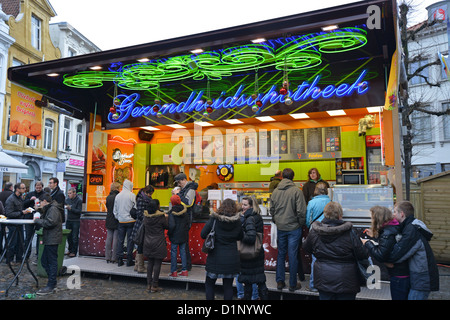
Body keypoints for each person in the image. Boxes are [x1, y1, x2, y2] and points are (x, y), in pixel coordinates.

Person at [303, 201, 368, 300]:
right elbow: (362, 254)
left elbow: (307, 248)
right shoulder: (350, 232)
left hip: (323, 278)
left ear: (325, 214)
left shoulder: (315, 232)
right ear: (340, 215)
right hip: (347, 280)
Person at [388, 200, 439, 300]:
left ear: (401, 214)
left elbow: (398, 255)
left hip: (421, 280)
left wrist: (377, 252)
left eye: (395, 212)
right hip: (420, 278)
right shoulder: (411, 226)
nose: (393, 215)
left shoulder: (411, 230)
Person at [361, 206, 410, 300]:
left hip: (399, 275)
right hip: (402, 272)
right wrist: (375, 236)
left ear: (378, 218)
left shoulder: (387, 233)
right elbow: (387, 246)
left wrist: (367, 243)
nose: (371, 220)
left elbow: (381, 255)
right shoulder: (393, 227)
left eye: (372, 217)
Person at [269, 168, 306, 291]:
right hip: (294, 228)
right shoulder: (297, 191)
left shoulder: (275, 192)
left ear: (282, 177)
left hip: (281, 227)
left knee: (281, 254)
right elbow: (301, 211)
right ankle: (293, 284)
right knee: (293, 255)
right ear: (293, 177)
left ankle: (280, 282)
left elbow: (272, 210)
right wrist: (300, 223)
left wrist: (277, 220)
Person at [201, 198, 243, 300]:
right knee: (228, 286)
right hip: (232, 258)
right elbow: (240, 236)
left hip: (215, 257)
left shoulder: (214, 219)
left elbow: (203, 234)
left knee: (209, 284)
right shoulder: (237, 221)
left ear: (221, 206)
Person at [238, 196, 268, 300]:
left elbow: (250, 238)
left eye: (245, 205)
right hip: (258, 252)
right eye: (242, 204)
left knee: (248, 284)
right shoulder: (257, 216)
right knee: (260, 281)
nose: (243, 207)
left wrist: (239, 233)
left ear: (251, 206)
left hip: (249, 254)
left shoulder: (249, 218)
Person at [33, 193, 63, 295]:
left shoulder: (53, 209)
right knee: (44, 261)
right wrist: (39, 210)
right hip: (50, 238)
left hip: (52, 238)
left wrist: (38, 221)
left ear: (45, 201)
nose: (40, 204)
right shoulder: (50, 208)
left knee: (50, 261)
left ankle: (51, 285)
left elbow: (50, 222)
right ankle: (52, 282)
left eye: (41, 202)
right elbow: (48, 217)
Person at [305, 181, 331, 292]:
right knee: (328, 257)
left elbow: (308, 220)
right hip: (328, 231)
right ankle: (327, 283)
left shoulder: (311, 203)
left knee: (315, 259)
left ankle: (313, 285)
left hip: (315, 231)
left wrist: (310, 227)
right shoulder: (331, 202)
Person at [172, 172, 198, 271]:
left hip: (186, 218)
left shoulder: (191, 189)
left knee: (184, 243)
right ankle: (185, 264)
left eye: (179, 182)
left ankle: (187, 265)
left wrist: (177, 196)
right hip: (183, 217)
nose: (178, 184)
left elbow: (188, 203)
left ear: (184, 180)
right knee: (184, 243)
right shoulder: (185, 189)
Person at [143, 199, 168, 292]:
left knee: (150, 263)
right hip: (158, 242)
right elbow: (167, 226)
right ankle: (155, 285)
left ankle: (148, 284)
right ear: (157, 207)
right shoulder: (160, 217)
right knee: (157, 263)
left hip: (147, 242)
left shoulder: (146, 217)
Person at [5, 182, 31, 264]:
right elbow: (8, 213)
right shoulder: (11, 199)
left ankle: (19, 259)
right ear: (17, 189)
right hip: (13, 224)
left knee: (20, 242)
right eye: (23, 188)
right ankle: (9, 260)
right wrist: (22, 213)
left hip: (19, 223)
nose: (25, 189)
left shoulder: (20, 197)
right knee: (12, 243)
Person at [130, 185, 154, 273]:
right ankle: (140, 267)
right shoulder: (141, 200)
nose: (150, 195)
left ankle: (137, 265)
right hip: (141, 226)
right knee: (140, 246)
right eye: (150, 194)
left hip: (143, 225)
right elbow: (139, 214)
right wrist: (148, 217)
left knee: (140, 245)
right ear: (146, 192)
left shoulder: (145, 198)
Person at [113, 179, 137, 267]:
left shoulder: (118, 196)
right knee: (130, 241)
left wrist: (119, 217)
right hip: (131, 221)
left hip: (121, 221)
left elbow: (114, 211)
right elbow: (136, 208)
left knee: (120, 240)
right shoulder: (132, 195)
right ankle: (129, 260)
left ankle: (120, 259)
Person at [167, 194, 189, 278]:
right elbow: (188, 224)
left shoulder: (172, 213)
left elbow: (172, 226)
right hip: (183, 235)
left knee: (174, 252)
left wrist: (169, 233)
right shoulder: (185, 211)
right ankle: (185, 270)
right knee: (183, 251)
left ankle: (174, 271)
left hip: (175, 235)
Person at [105, 182, 120, 263]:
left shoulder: (108, 197)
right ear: (117, 188)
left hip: (109, 218)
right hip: (116, 219)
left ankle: (107, 257)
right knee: (116, 239)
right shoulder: (117, 197)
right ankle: (114, 257)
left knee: (109, 238)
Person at [65, 188, 83, 257]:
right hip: (69, 220)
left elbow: (79, 211)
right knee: (68, 236)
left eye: (70, 193)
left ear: (74, 193)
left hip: (76, 220)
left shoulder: (79, 201)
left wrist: (71, 209)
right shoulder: (67, 200)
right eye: (68, 193)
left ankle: (74, 251)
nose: (69, 195)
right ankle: (69, 249)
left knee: (74, 237)